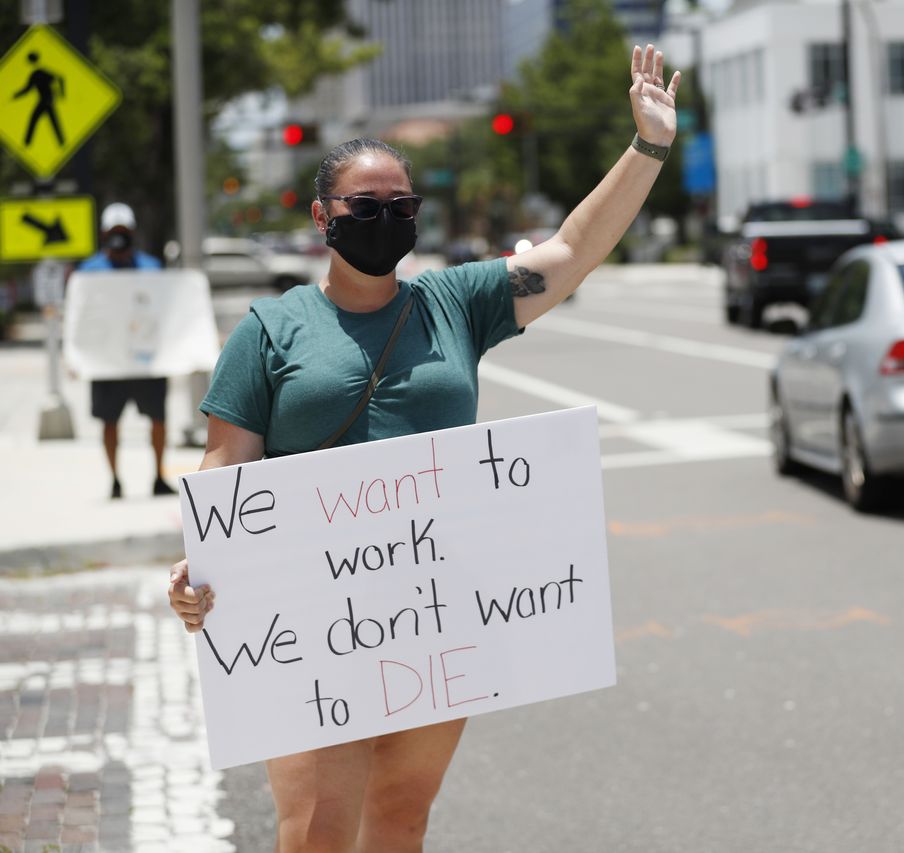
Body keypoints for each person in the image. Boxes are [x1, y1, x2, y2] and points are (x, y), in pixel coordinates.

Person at [168, 44, 679, 851]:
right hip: (310, 620)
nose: (384, 220)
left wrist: (647, 146)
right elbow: (225, 464)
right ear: (322, 218)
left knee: (402, 819)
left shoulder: (460, 301)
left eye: (399, 205)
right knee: (315, 833)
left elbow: (573, 250)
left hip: (435, 615)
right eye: (363, 207)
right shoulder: (270, 330)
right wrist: (203, 566)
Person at [79, 202, 177, 499]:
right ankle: (115, 480)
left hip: (145, 361)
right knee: (110, 422)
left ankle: (158, 477)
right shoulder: (89, 272)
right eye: (113, 232)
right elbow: (81, 319)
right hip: (109, 363)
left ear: (131, 233)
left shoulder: (151, 267)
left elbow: (165, 310)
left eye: (123, 232)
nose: (118, 237)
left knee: (157, 418)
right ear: (104, 234)